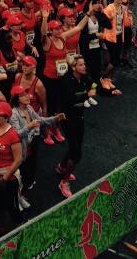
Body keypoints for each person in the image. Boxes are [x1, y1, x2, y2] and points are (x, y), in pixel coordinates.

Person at [56, 56, 90, 198]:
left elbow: (95, 83)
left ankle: (61, 167)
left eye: (84, 64)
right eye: (81, 65)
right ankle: (64, 182)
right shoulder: (66, 81)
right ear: (73, 67)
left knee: (75, 146)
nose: (84, 67)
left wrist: (109, 91)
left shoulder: (83, 77)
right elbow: (71, 99)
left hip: (79, 118)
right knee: (77, 153)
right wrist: (87, 95)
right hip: (68, 119)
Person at [0, 102, 22, 234]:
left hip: (7, 176)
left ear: (6, 117)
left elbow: (18, 159)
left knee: (10, 204)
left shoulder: (13, 135)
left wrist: (5, 177)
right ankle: (3, 226)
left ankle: (17, 228)